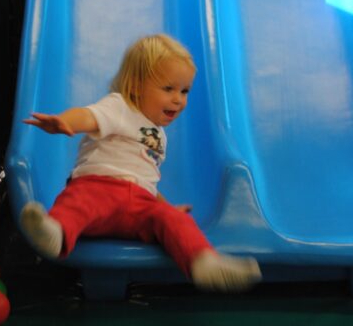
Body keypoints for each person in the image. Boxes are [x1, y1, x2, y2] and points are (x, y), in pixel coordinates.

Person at [19, 34, 262, 292]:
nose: (178, 99)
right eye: (168, 89)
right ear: (135, 85)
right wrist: (66, 121)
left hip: (138, 203)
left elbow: (145, 179)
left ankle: (203, 262)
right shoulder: (121, 105)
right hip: (97, 188)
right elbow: (89, 116)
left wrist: (168, 208)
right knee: (76, 205)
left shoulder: (160, 137)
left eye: (184, 90)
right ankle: (54, 233)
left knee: (174, 221)